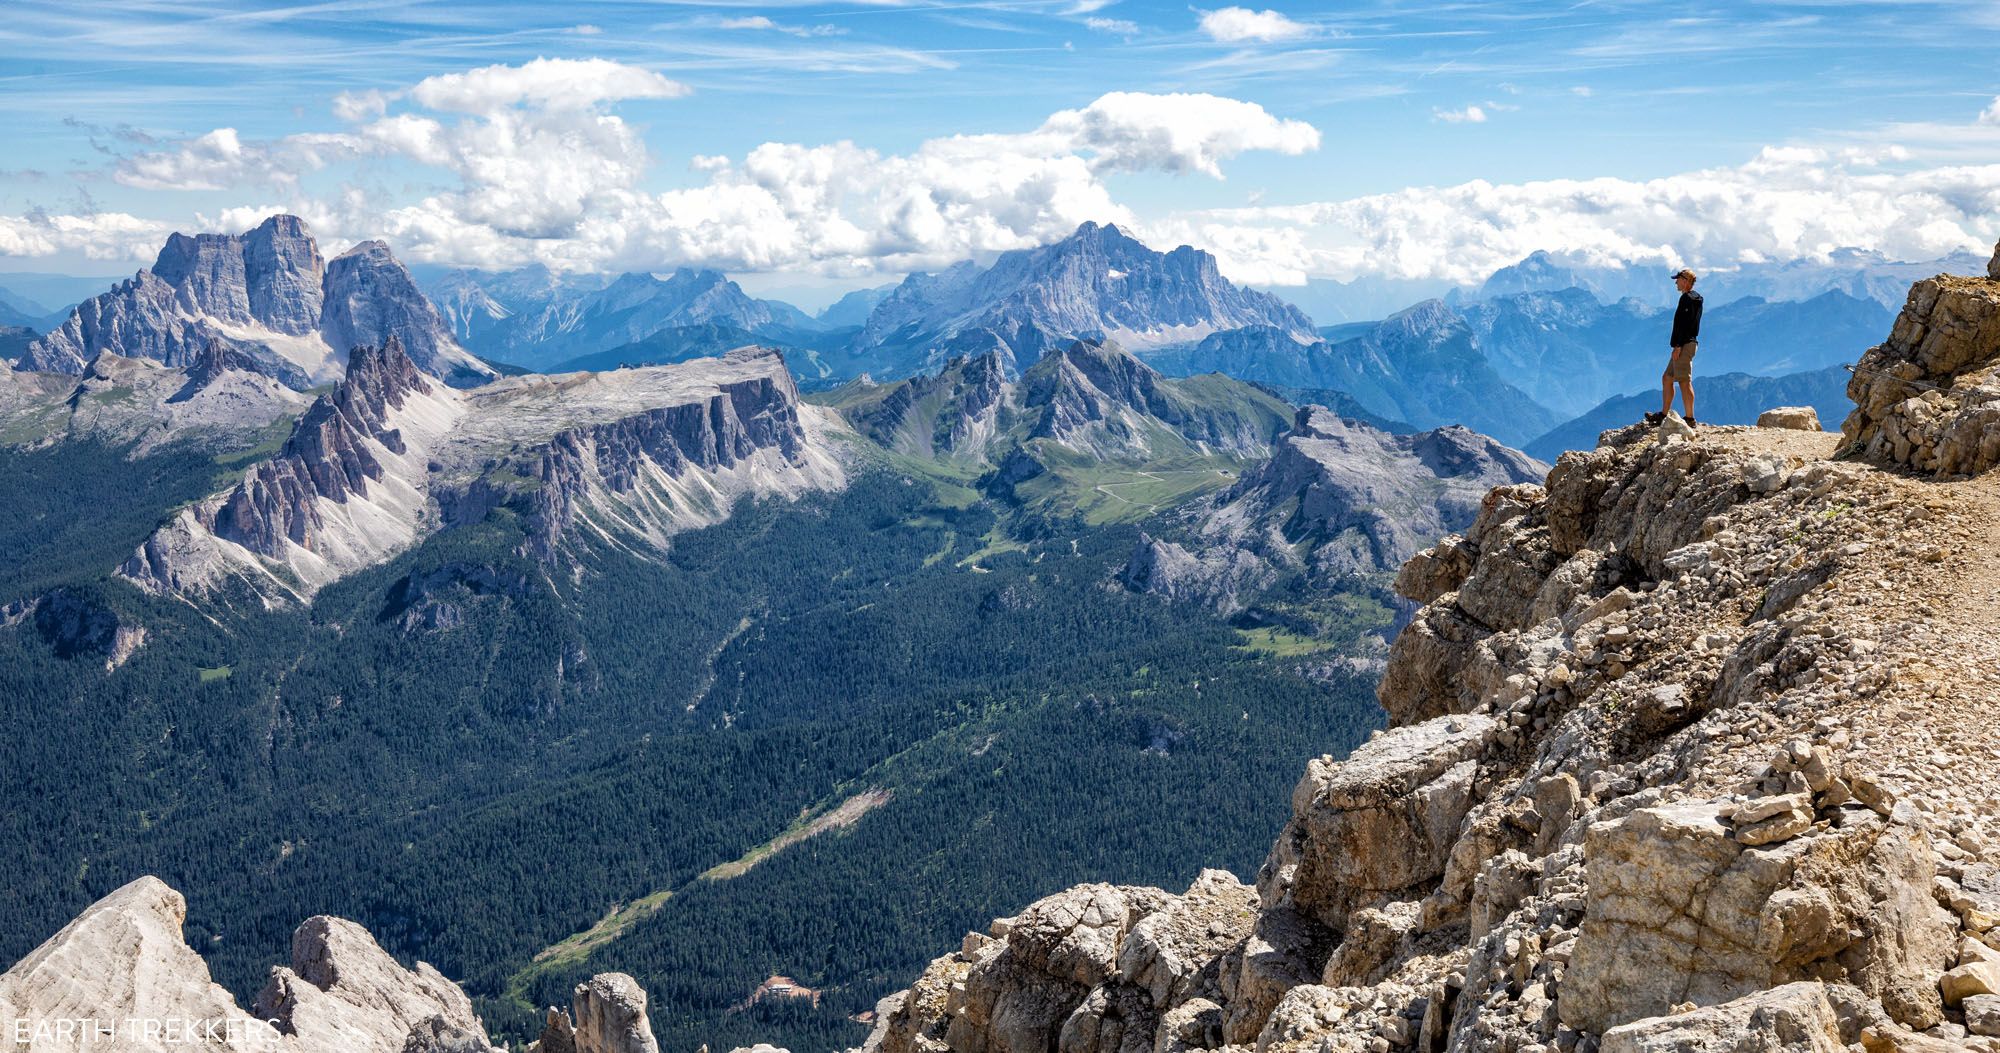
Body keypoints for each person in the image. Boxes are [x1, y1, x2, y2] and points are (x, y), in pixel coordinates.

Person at [1646, 269, 1702, 426]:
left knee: (1684, 381)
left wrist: (1677, 346)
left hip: (1684, 345)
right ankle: (1663, 415)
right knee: (1667, 378)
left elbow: (1684, 325)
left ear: (1685, 280)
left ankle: (1690, 419)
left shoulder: (1686, 299)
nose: (1675, 282)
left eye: (1678, 279)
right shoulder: (1696, 298)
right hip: (1686, 344)